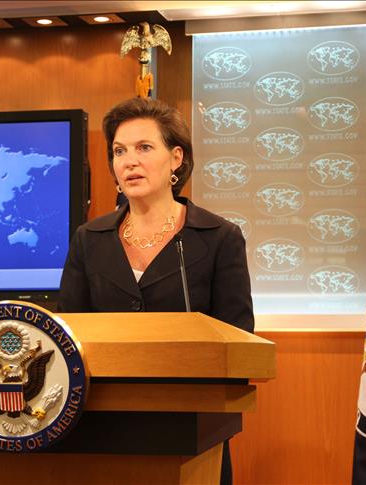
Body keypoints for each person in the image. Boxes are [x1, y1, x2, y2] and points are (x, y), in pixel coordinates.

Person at [58, 97, 254, 484]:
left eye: (144, 148)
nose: (129, 161)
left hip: (192, 429)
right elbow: (68, 338)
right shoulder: (89, 239)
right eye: (119, 151)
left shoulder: (218, 237)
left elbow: (239, 342)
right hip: (103, 428)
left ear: (176, 158)